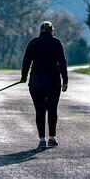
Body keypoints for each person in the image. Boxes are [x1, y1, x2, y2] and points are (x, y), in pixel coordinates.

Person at [20, 20, 68, 148]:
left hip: (36, 82)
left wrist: (23, 77)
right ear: (52, 31)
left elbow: (26, 62)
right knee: (52, 109)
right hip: (53, 82)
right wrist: (65, 81)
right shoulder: (56, 43)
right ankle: (52, 138)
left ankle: (42, 139)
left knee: (40, 111)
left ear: (40, 31)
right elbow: (62, 63)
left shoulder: (33, 42)